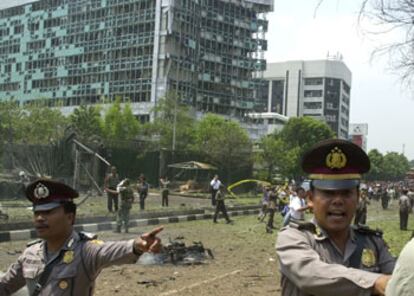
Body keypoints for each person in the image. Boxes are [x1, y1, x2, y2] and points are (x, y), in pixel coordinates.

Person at [0, 178, 163, 296]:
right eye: (37, 213)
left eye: (48, 212)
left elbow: (109, 250)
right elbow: (5, 286)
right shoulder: (30, 254)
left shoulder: (85, 250)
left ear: (70, 217)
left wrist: (138, 244)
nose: (40, 218)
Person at [276, 139, 396, 296]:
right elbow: (310, 274)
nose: (338, 201)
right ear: (310, 199)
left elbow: (398, 279)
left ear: (358, 197)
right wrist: (375, 282)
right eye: (328, 193)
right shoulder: (293, 238)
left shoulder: (373, 242)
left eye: (346, 193)